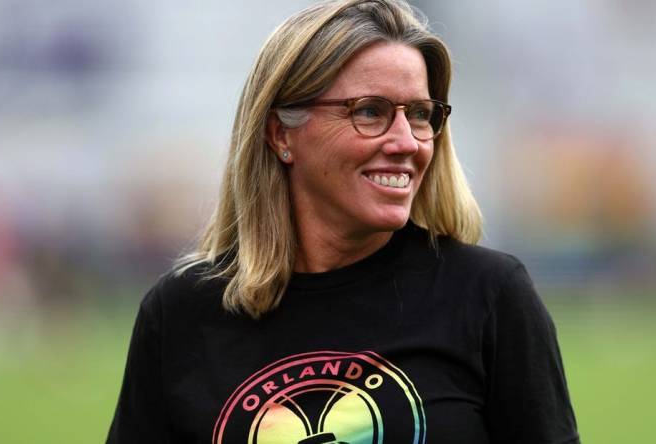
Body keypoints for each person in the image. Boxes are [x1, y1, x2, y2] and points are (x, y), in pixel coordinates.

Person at [106, 0, 579, 443]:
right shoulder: (182, 312)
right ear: (280, 134)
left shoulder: (489, 296)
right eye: (369, 111)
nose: (406, 142)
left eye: (419, 114)